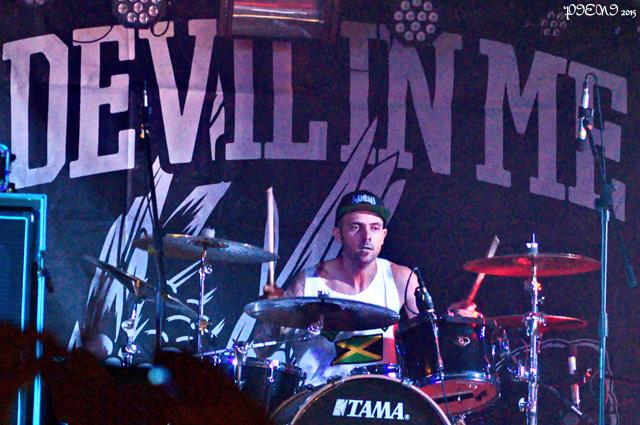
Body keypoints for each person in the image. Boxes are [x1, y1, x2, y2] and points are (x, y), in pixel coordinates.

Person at [257, 190, 475, 387]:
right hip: (317, 399)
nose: (367, 236)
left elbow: (429, 346)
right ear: (338, 234)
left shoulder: (401, 278)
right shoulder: (309, 282)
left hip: (382, 400)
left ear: (383, 236)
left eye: (375, 228)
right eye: (355, 227)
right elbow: (261, 349)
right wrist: (273, 313)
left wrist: (454, 323)